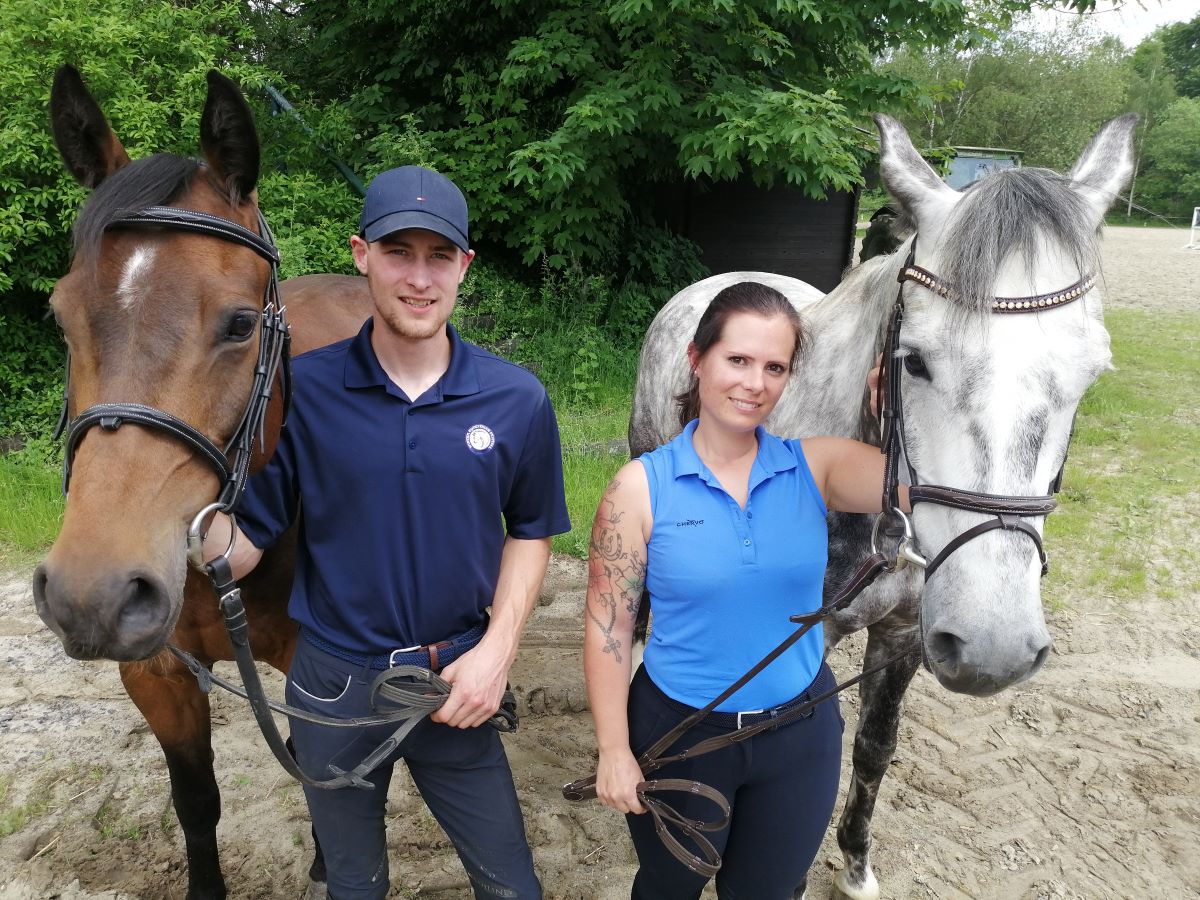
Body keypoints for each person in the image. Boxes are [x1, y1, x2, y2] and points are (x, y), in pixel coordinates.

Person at [206, 165, 570, 900]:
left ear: (465, 266)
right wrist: (183, 524)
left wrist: (497, 654)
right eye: (398, 251)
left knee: (511, 886)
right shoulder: (303, 389)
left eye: (439, 256)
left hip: (456, 682)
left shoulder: (516, 399)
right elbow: (245, 542)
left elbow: (532, 532)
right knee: (353, 883)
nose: (419, 277)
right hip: (333, 685)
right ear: (361, 254)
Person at [583, 281, 908, 899]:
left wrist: (894, 420)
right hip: (680, 734)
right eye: (737, 360)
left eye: (775, 367)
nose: (754, 383)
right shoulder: (639, 490)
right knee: (667, 886)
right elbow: (609, 631)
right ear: (696, 359)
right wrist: (612, 749)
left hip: (800, 738)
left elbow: (928, 489)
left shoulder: (818, 466)